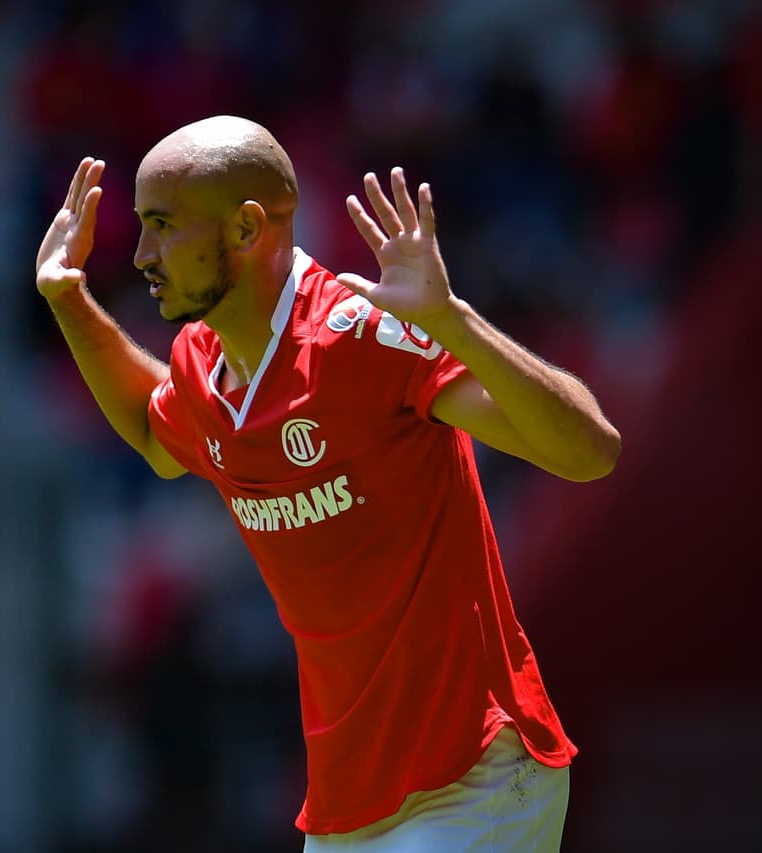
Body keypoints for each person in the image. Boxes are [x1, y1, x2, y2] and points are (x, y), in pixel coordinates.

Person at [34, 115, 621, 851]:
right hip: (351, 803)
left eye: (163, 225)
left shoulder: (365, 334)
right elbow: (157, 438)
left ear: (246, 227)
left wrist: (452, 321)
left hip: (477, 773)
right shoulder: (201, 365)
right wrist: (67, 299)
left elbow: (590, 453)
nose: (142, 255)